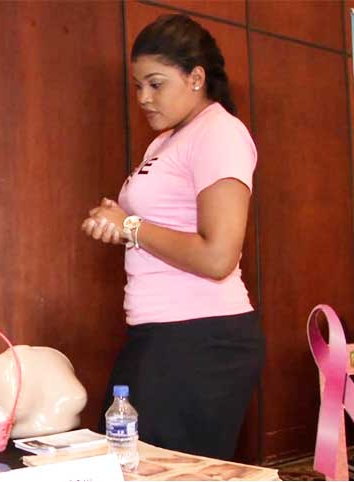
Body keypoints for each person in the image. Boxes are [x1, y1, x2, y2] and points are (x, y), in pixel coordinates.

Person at [81, 14, 265, 460]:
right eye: (137, 85)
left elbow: (218, 255)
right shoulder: (164, 141)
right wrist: (119, 220)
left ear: (196, 77)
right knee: (124, 462)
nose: (143, 97)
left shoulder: (220, 132)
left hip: (201, 340)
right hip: (159, 336)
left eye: (156, 84)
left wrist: (130, 226)